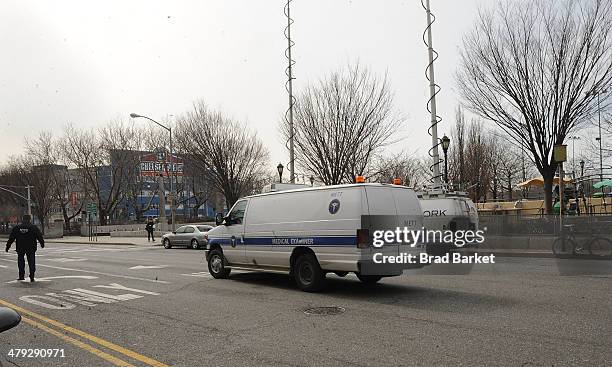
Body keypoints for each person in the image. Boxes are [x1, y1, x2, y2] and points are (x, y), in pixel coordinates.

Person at [5, 215, 44, 282]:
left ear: (23, 219)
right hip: (31, 247)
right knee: (31, 261)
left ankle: (21, 276)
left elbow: (11, 238)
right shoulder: (33, 227)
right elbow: (39, 236)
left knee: (21, 261)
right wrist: (42, 244)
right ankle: (32, 275)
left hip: (20, 247)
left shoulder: (17, 228)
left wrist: (7, 247)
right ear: (29, 219)